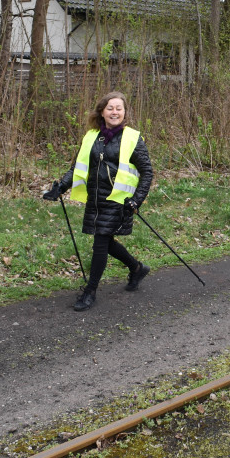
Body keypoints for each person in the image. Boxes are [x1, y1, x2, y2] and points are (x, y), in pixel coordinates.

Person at [42, 91, 154, 311]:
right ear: (102, 111)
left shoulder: (132, 138)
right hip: (95, 198)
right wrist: (60, 187)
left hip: (118, 200)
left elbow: (147, 172)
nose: (114, 112)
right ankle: (137, 268)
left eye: (119, 108)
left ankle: (90, 291)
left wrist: (137, 200)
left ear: (125, 112)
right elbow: (78, 167)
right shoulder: (92, 136)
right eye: (110, 108)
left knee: (100, 243)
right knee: (107, 241)